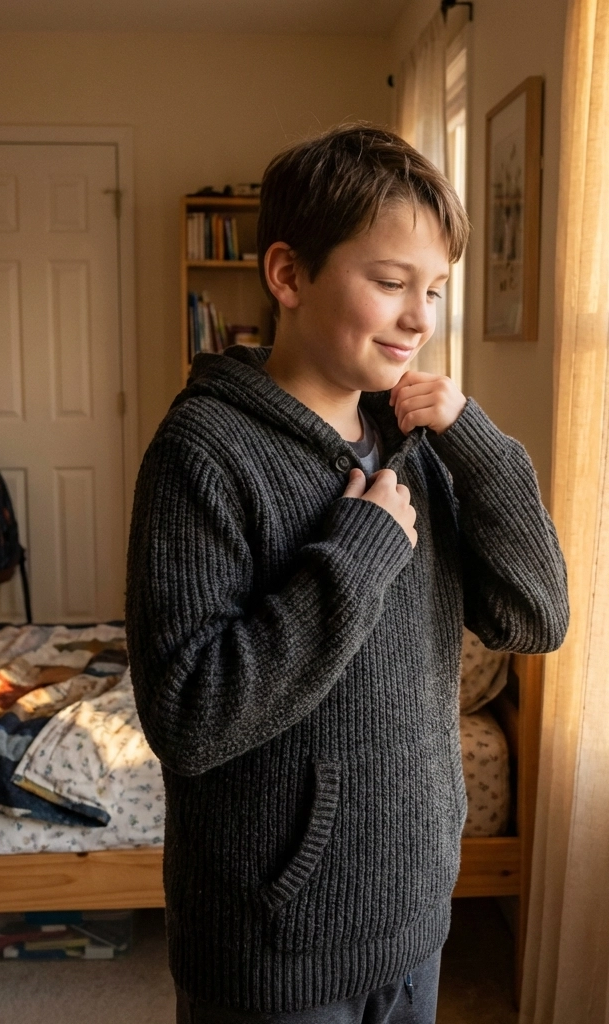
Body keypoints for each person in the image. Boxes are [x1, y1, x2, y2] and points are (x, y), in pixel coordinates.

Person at [124, 122, 569, 1023]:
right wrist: (354, 561)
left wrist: (475, 443)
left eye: (436, 288)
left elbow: (537, 617)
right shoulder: (204, 451)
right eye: (391, 282)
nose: (422, 319)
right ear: (288, 275)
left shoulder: (417, 443)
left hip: (411, 911)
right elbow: (191, 717)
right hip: (273, 941)